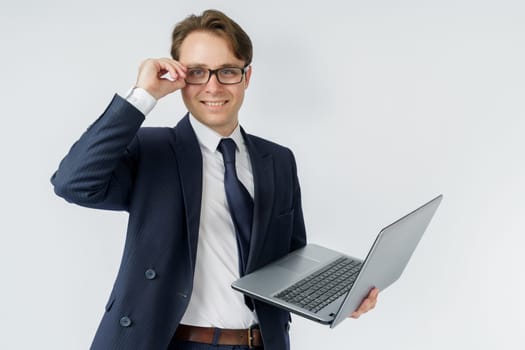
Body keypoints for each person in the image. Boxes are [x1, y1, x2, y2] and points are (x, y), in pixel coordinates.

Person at [51, 9, 379, 350]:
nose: (213, 86)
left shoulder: (278, 160)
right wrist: (143, 94)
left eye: (227, 71)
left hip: (260, 342)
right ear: (178, 77)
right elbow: (73, 183)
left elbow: (289, 260)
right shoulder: (151, 151)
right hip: (169, 342)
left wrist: (337, 295)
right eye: (196, 73)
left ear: (246, 77)